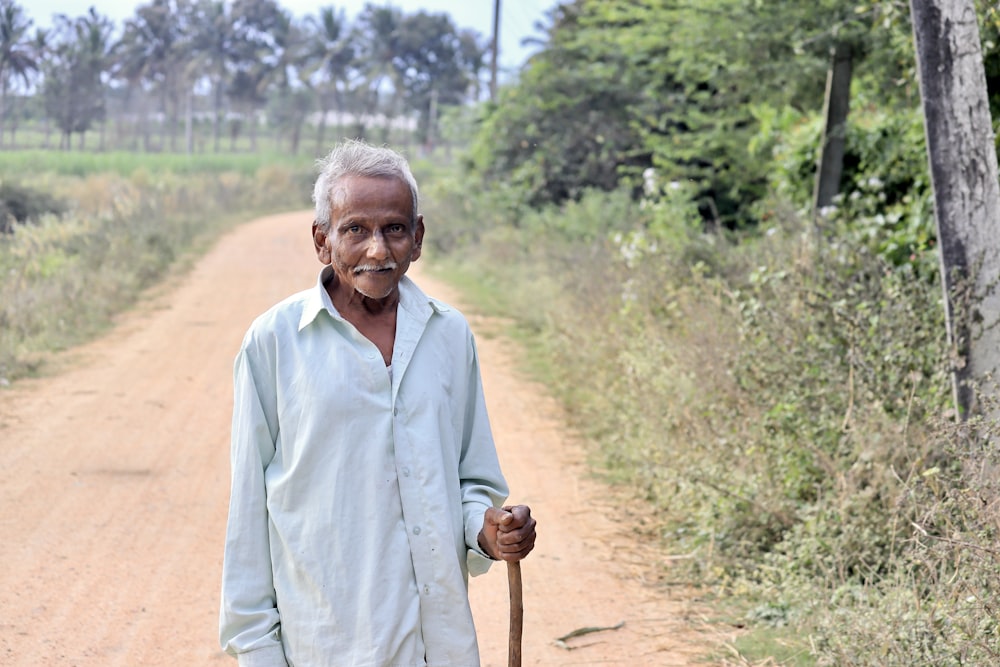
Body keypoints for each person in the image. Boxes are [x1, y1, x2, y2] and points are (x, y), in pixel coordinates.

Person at [219, 139, 536, 667]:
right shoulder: (274, 341)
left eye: (394, 228)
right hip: (326, 643)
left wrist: (489, 529)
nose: (378, 250)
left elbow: (468, 478)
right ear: (322, 241)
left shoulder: (448, 334)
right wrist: (256, 647)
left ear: (418, 237)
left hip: (439, 644)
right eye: (355, 230)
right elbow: (249, 509)